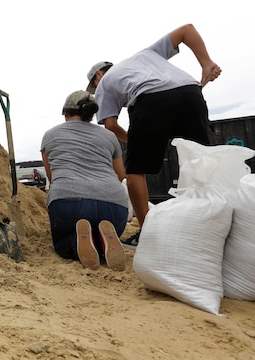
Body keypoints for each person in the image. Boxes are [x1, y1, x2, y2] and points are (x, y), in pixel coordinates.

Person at [87, 24, 221, 249]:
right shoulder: (146, 55)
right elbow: (187, 30)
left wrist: (136, 141)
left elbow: (110, 125)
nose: (95, 91)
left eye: (93, 85)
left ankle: (147, 232)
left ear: (98, 75)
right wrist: (206, 63)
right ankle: (214, 216)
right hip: (190, 92)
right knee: (202, 158)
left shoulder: (104, 85)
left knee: (135, 171)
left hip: (149, 100)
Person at [40, 90, 129, 271]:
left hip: (69, 201)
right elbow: (121, 176)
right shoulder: (109, 136)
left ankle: (75, 242)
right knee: (106, 230)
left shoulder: (50, 135)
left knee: (63, 246)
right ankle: (103, 243)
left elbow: (52, 177)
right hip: (114, 204)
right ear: (91, 114)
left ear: (65, 112)